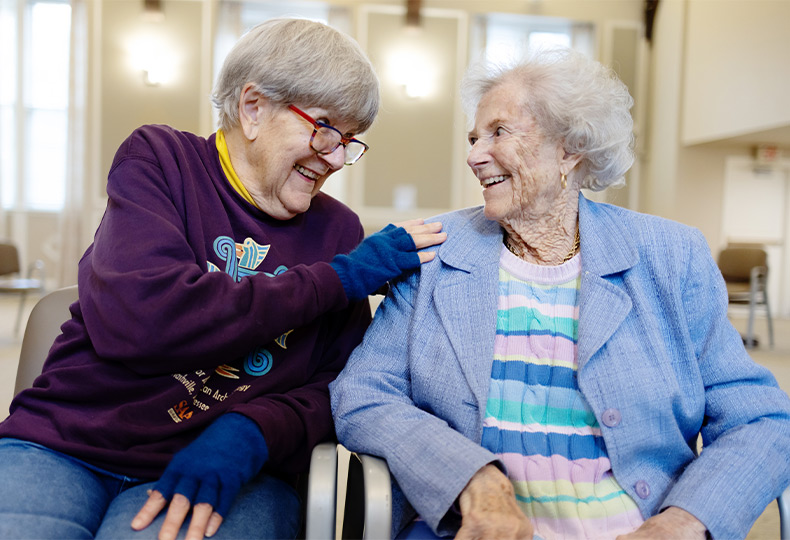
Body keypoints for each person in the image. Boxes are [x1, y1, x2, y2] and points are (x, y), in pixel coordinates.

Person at [0, 18, 445, 540]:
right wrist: (338, 278)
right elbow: (144, 319)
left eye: (348, 140)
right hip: (66, 442)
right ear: (253, 108)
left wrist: (252, 431)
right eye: (324, 127)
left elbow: (336, 385)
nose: (336, 158)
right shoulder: (160, 160)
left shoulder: (338, 231)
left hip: (232, 470)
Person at [331, 47, 790, 540]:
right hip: (470, 527)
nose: (474, 156)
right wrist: (472, 479)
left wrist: (682, 522)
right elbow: (363, 393)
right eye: (473, 138)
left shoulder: (671, 256)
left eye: (499, 132)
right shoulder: (434, 254)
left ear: (569, 150)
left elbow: (759, 419)